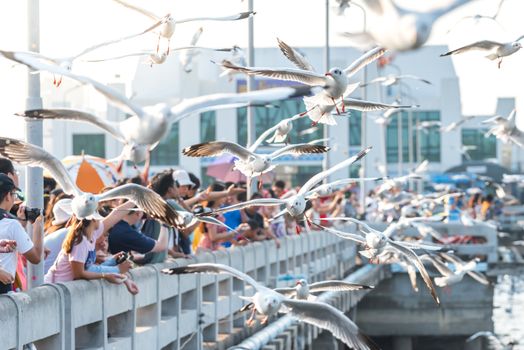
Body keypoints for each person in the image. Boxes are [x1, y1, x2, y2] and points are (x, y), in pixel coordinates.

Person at [45, 200, 138, 294]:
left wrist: (136, 198)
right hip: (56, 292)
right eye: (98, 216)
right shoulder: (80, 242)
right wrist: (110, 273)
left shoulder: (91, 235)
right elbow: (79, 274)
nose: (101, 220)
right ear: (93, 219)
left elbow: (115, 215)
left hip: (64, 291)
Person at [0, 174, 43, 294]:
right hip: (3, 288)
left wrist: (21, 224)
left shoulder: (13, 224)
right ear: (8, 196)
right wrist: (37, 227)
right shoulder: (12, 224)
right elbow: (35, 257)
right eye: (14, 194)